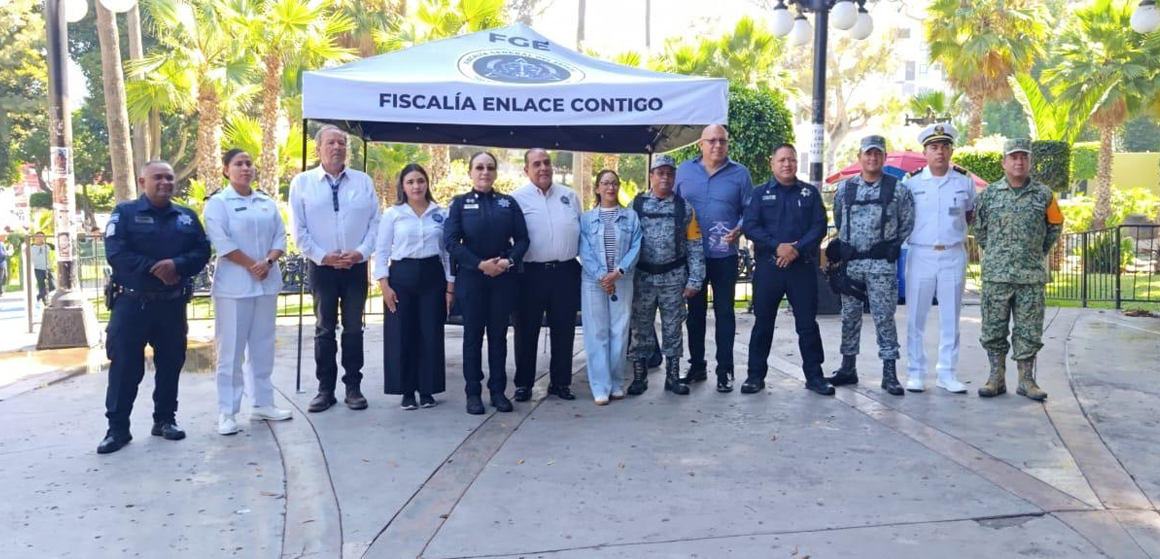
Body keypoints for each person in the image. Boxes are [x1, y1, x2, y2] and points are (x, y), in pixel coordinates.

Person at [97, 160, 211, 454]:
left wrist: (178, 265)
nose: (165, 183)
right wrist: (156, 269)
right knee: (125, 367)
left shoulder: (186, 216)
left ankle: (164, 420)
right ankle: (118, 429)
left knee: (170, 365)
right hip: (131, 304)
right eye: (158, 177)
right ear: (142, 181)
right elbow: (116, 253)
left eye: (169, 178)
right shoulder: (124, 213)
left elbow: (202, 250)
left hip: (171, 306)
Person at [290, 125, 381, 413]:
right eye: (331, 142)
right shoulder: (302, 183)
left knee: (354, 328)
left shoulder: (362, 181)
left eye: (342, 143)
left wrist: (361, 252)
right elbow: (298, 229)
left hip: (355, 267)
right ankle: (325, 390)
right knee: (324, 330)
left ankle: (353, 387)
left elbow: (376, 223)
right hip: (322, 268)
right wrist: (322, 256)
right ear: (318, 149)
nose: (337, 147)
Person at [204, 149, 293, 436]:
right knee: (230, 350)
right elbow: (222, 242)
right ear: (225, 170)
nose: (245, 168)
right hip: (234, 287)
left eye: (248, 163)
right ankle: (227, 411)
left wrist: (267, 262)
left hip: (266, 284)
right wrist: (252, 265)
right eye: (238, 164)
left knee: (263, 346)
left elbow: (281, 237)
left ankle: (263, 403)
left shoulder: (266, 202)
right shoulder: (219, 203)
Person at [975, 139, 1064, 401]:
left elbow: (1054, 227)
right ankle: (996, 378)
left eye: (1023, 157)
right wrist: (997, 254)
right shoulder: (989, 195)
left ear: (1030, 161)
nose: (1018, 162)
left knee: (1029, 331)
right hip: (997, 276)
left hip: (1030, 278)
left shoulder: (1045, 195)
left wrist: (1035, 252)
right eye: (1013, 157)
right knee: (993, 329)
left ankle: (1026, 380)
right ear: (1004, 162)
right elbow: (980, 230)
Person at [826, 136, 915, 396]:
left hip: (881, 266)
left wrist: (890, 245)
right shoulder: (845, 189)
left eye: (877, 154)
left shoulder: (898, 189)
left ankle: (889, 373)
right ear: (859, 156)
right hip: (852, 265)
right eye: (868, 153)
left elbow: (907, 222)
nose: (872, 158)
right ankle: (847, 367)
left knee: (884, 317)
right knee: (849, 317)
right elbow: (840, 220)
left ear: (884, 157)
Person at [742, 144, 833, 396]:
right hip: (769, 269)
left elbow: (819, 227)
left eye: (791, 160)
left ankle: (815, 377)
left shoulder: (809, 194)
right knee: (763, 324)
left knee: (807, 325)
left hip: (801, 269)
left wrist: (795, 250)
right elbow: (751, 226)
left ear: (796, 163)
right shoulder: (760, 193)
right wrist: (777, 247)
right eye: (781, 160)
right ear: (772, 164)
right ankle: (754, 376)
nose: (787, 164)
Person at [444, 152, 529, 415]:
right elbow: (450, 242)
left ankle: (497, 391)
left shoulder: (508, 203)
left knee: (498, 337)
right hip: (472, 279)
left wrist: (507, 262)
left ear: (496, 173)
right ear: (470, 172)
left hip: (502, 280)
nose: (485, 172)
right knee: (472, 338)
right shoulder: (459, 204)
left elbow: (523, 239)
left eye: (490, 168)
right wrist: (480, 265)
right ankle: (473, 393)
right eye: (479, 167)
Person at [675, 125, 754, 392]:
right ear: (700, 144)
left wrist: (740, 228)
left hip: (724, 255)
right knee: (694, 314)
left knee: (724, 313)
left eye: (722, 141)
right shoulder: (683, 171)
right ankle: (697, 365)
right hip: (692, 257)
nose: (717, 146)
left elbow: (750, 210)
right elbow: (673, 205)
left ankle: (725, 370)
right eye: (712, 141)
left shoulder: (740, 174)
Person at [901, 123, 976, 393]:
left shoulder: (964, 182)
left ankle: (947, 373)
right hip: (920, 253)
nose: (940, 152)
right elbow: (903, 217)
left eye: (945, 147)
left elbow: (970, 215)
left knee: (950, 317)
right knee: (916, 317)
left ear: (951, 150)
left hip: (953, 254)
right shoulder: (911, 183)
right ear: (925, 152)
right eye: (934, 148)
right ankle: (916, 372)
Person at [373, 163, 454, 410]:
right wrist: (384, 285)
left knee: (430, 333)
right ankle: (406, 390)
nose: (416, 186)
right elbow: (382, 250)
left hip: (432, 276)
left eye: (420, 180)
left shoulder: (441, 213)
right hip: (402, 276)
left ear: (427, 183)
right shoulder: (393, 214)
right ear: (403, 186)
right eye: (410, 182)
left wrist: (451, 285)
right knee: (402, 333)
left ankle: (427, 389)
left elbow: (447, 252)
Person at [625, 155, 705, 396]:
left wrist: (695, 279)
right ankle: (640, 377)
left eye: (669, 173)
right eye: (660, 173)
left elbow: (695, 245)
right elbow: (625, 241)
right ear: (651, 176)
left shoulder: (684, 207)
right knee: (640, 327)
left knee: (673, 328)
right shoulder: (635, 206)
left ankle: (672, 377)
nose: (665, 177)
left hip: (674, 277)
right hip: (643, 278)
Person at [511, 149, 583, 402]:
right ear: (526, 170)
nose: (543, 168)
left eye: (547, 163)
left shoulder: (569, 196)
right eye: (537, 164)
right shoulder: (516, 199)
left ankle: (561, 383)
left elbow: (581, 233)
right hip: (530, 274)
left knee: (564, 330)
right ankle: (524, 385)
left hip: (566, 272)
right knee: (526, 330)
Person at [579, 170, 642, 405]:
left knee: (619, 331)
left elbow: (636, 246)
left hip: (622, 280)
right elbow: (583, 249)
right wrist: (601, 276)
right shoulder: (585, 219)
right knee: (597, 333)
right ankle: (600, 386)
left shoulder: (631, 217)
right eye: (605, 183)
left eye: (614, 183)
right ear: (597, 188)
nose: (610, 188)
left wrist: (618, 272)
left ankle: (616, 383)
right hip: (593, 282)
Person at [31, 234, 54, 303]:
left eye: (42, 237)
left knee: (53, 285)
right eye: (38, 236)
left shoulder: (47, 246)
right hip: (37, 269)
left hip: (47, 268)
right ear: (35, 238)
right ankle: (44, 301)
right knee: (41, 286)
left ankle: (38, 297)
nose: (40, 238)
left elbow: (57, 247)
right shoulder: (31, 247)